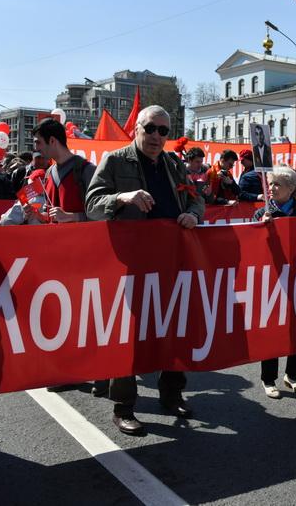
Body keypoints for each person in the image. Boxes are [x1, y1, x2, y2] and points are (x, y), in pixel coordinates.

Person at [85, 105, 205, 435]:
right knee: (130, 334)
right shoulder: (115, 160)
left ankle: (172, 393)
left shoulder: (173, 164)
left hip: (171, 260)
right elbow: (92, 205)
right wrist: (123, 197)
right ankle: (124, 407)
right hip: (131, 263)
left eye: (163, 131)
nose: (156, 136)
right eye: (150, 128)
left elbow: (196, 199)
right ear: (136, 128)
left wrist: (193, 215)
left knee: (174, 327)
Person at [253, 166, 296, 398]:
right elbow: (252, 245)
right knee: (272, 328)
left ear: (291, 188)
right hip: (272, 279)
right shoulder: (261, 213)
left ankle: (292, 375)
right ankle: (268, 379)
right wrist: (261, 227)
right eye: (270, 183)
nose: (272, 188)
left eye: (277, 184)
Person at [34, 117, 95, 224]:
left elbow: (101, 214)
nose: (36, 148)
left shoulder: (87, 170)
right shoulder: (48, 173)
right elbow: (49, 216)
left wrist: (71, 216)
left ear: (52, 140)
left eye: (38, 142)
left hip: (81, 235)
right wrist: (36, 215)